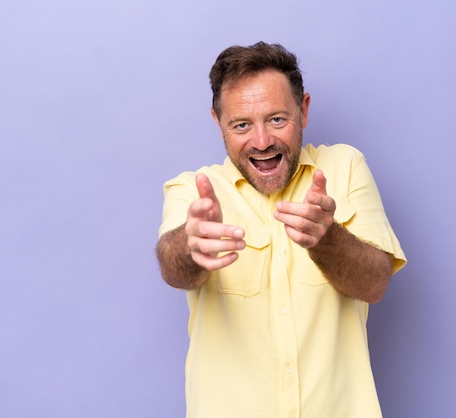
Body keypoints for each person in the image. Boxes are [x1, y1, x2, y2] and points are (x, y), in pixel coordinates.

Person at [156, 41, 406, 418]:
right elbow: (173, 268)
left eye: (277, 119)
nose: (262, 141)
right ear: (217, 122)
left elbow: (374, 284)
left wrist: (327, 239)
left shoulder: (345, 167)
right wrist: (190, 247)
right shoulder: (194, 190)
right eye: (241, 125)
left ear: (303, 110)